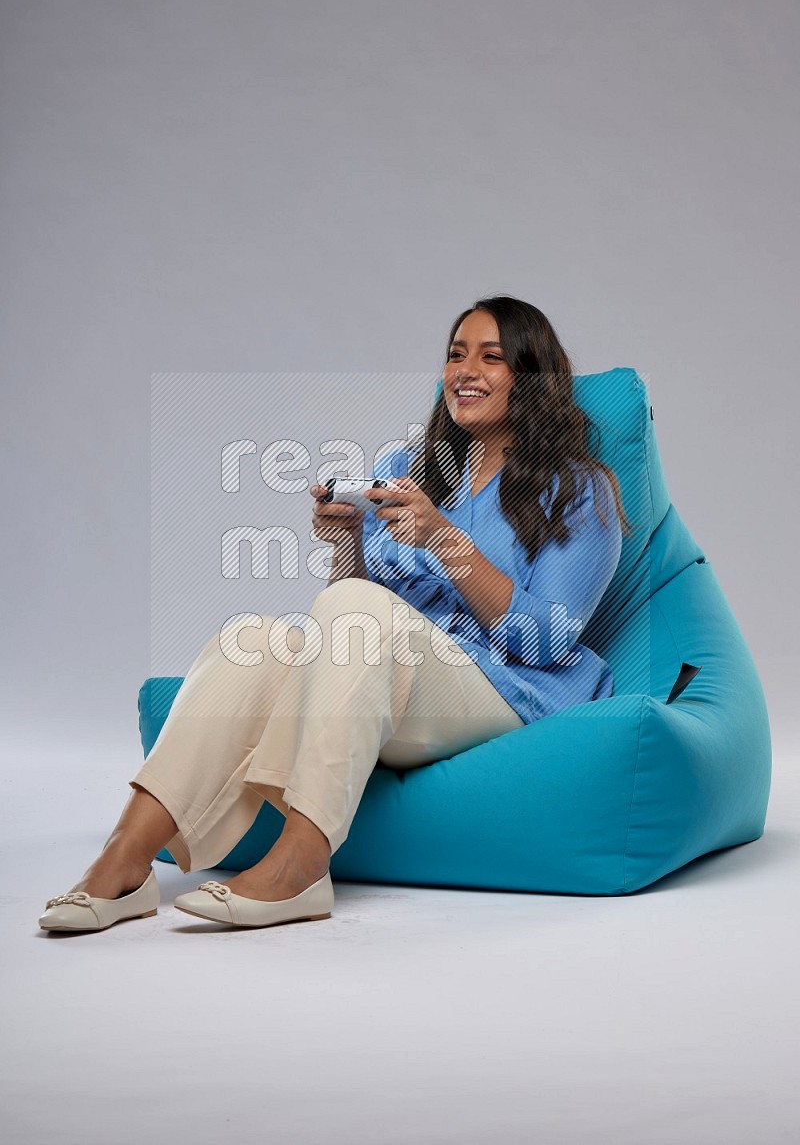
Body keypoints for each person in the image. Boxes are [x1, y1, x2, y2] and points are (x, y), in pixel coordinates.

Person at [38, 295, 630, 933]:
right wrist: (347, 541)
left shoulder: (578, 488)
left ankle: (301, 863)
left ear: (533, 377)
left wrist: (444, 544)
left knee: (355, 613)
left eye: (491, 357)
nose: (465, 370)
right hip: (395, 682)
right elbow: (356, 609)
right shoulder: (409, 468)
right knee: (253, 640)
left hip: (503, 688)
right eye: (455, 354)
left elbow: (550, 638)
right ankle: (124, 861)